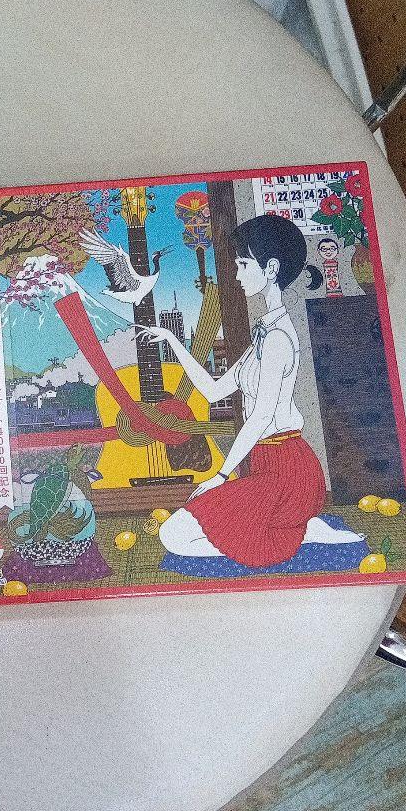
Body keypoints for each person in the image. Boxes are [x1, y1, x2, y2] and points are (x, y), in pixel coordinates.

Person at [138, 214, 361, 568]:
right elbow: (214, 391)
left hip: (290, 472)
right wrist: (172, 340)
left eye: (243, 264)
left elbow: (260, 417)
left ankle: (296, 531)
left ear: (271, 268)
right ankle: (300, 529)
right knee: (179, 534)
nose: (238, 275)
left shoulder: (277, 338)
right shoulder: (263, 334)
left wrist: (220, 475)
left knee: (174, 536)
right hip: (265, 467)